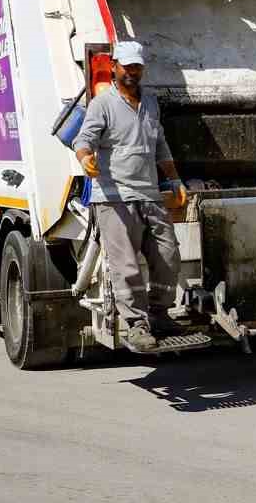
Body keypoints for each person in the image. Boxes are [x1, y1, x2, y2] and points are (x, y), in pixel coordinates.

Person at [72, 41, 184, 349]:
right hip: (114, 197)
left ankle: (159, 313)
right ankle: (137, 324)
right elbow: (83, 139)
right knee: (126, 265)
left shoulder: (150, 102)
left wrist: (175, 179)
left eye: (137, 66)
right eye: (127, 66)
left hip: (149, 193)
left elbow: (159, 144)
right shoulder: (102, 104)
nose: (132, 72)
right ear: (114, 67)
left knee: (168, 255)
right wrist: (85, 158)